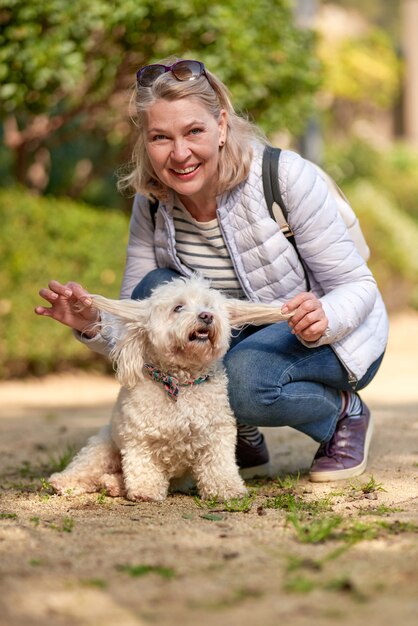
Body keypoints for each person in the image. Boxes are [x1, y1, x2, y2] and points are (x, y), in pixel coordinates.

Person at [35, 57, 389, 482]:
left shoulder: (284, 176)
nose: (179, 153)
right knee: (155, 289)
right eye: (160, 137)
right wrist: (92, 322)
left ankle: (344, 415)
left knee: (243, 382)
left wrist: (326, 316)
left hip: (328, 333)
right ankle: (238, 431)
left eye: (194, 131)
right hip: (233, 337)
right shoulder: (151, 202)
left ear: (221, 126)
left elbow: (356, 284)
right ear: (145, 141)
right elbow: (142, 326)